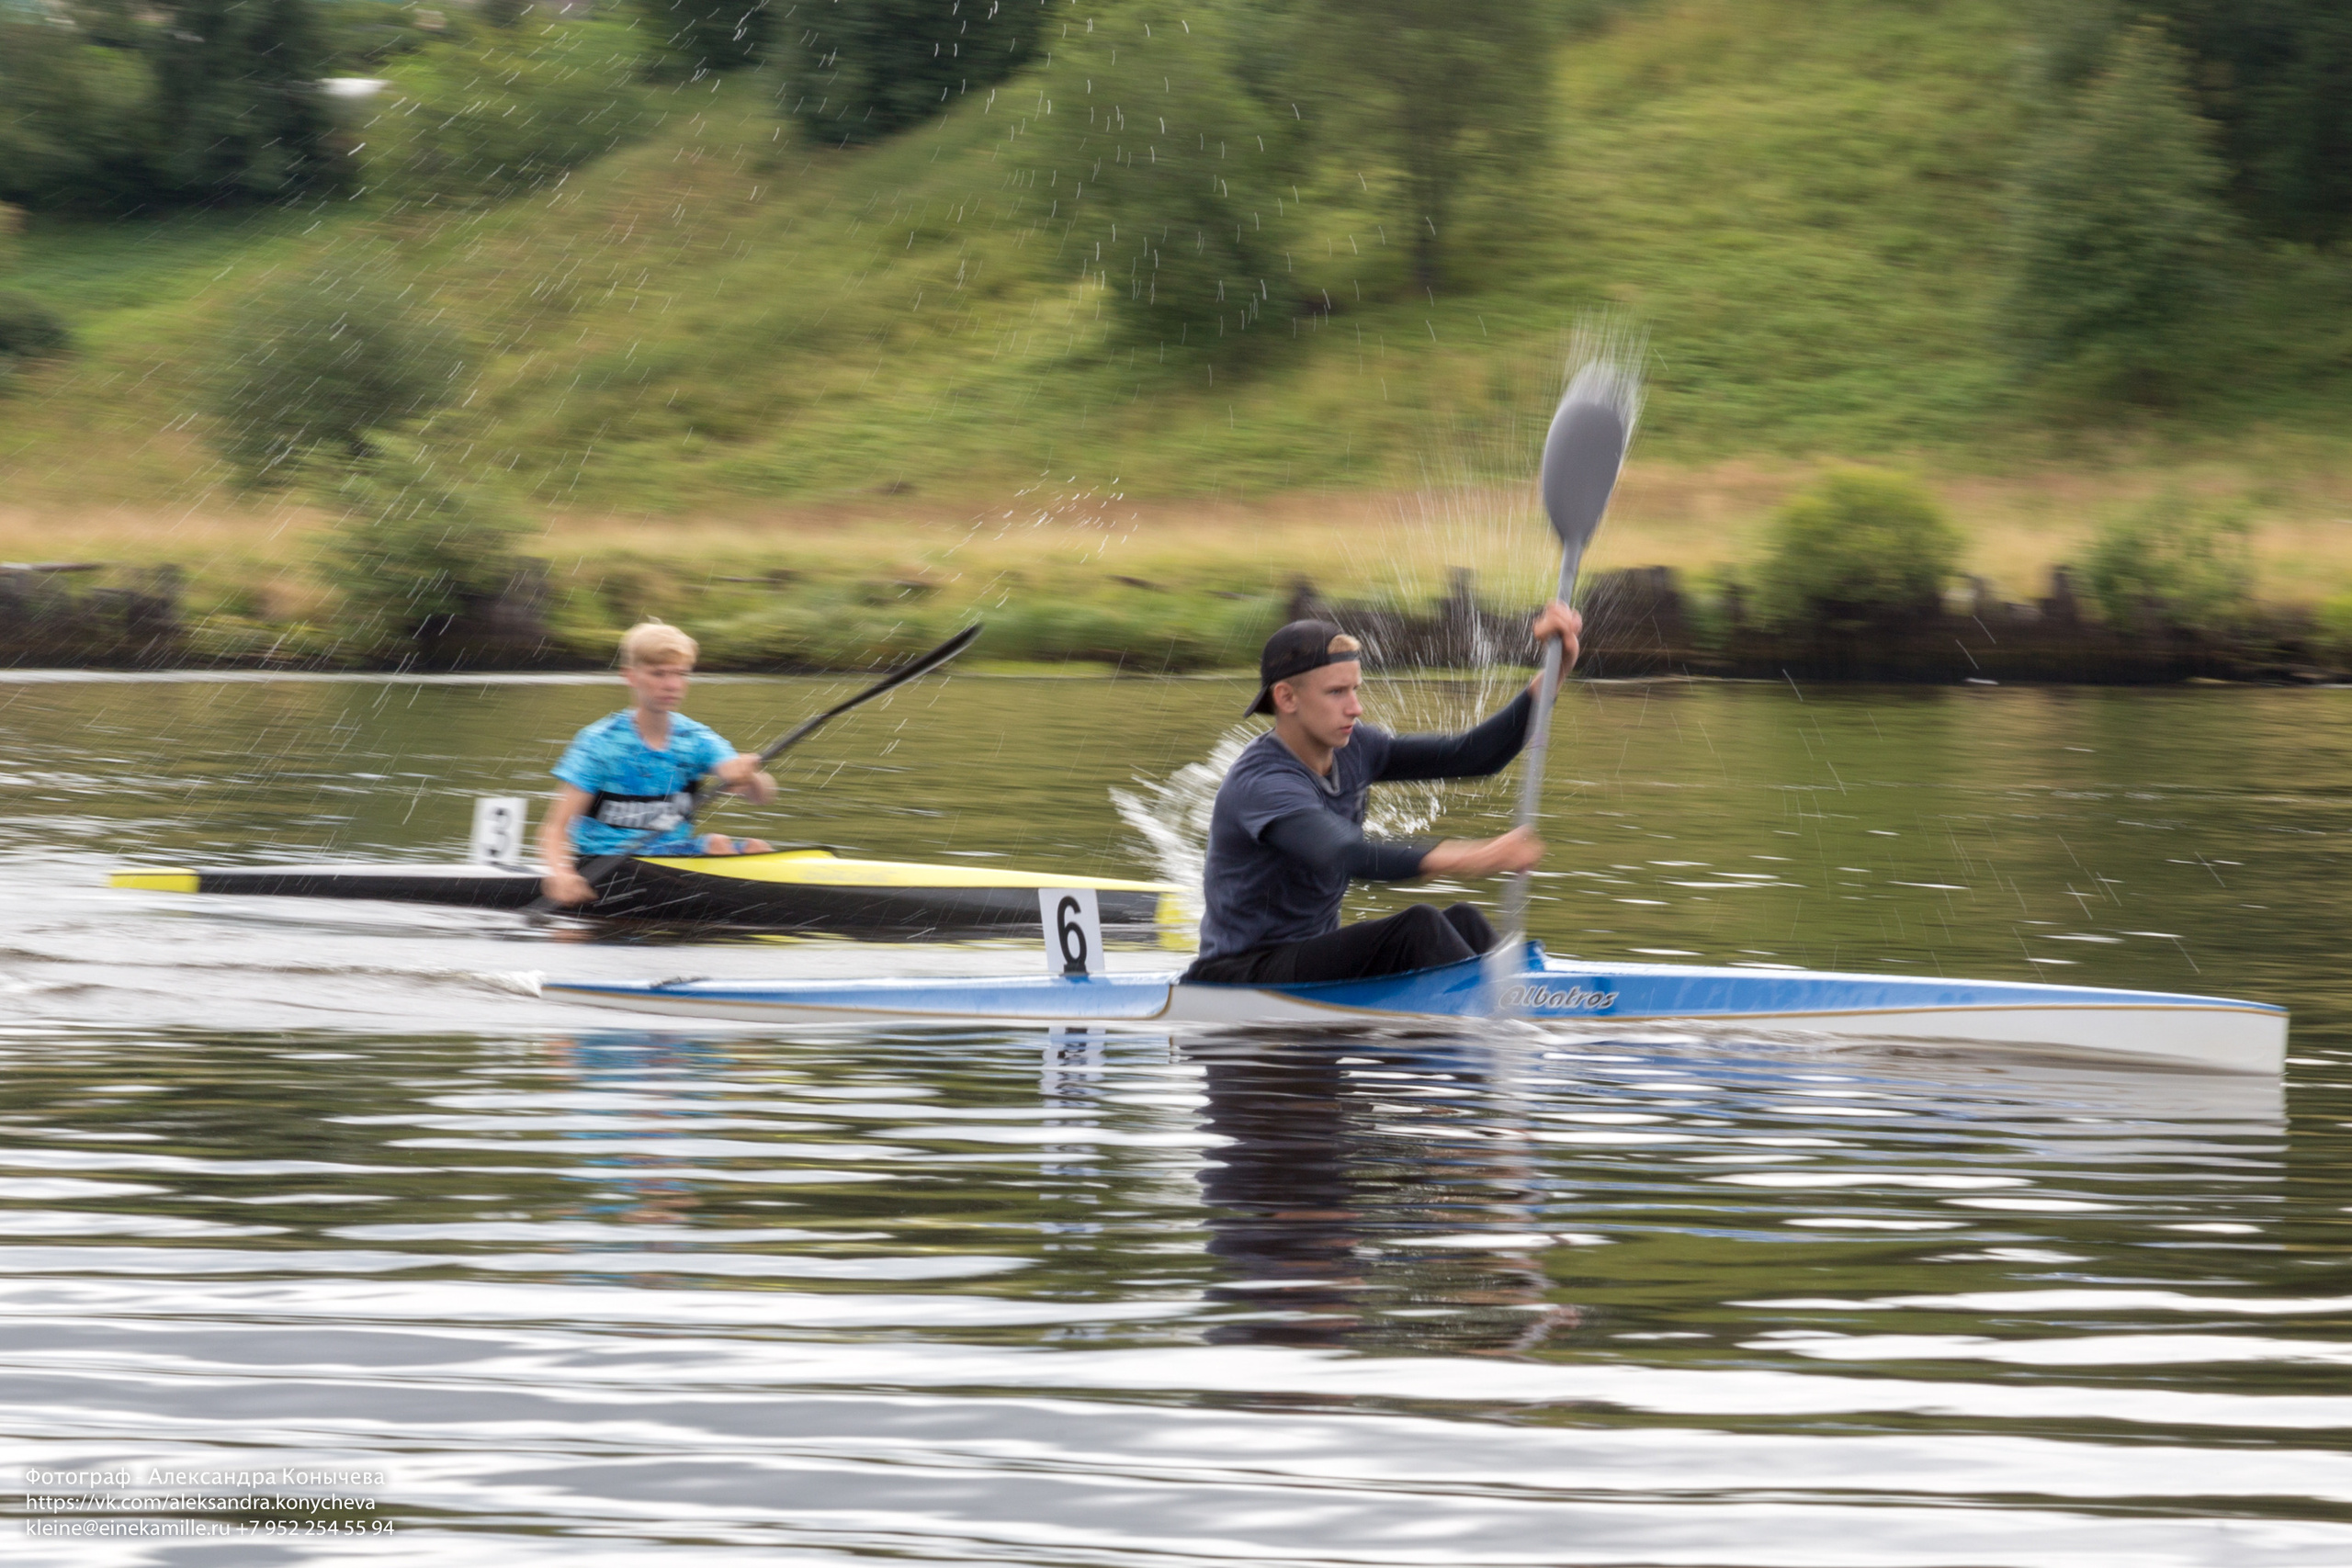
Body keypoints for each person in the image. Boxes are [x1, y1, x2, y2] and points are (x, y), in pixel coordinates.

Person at [1185, 603, 1580, 986]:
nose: (1356, 708)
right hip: (1240, 975)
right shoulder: (1263, 783)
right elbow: (1347, 854)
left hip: (1310, 959)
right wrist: (1477, 856)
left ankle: (1525, 1003)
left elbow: (1475, 755)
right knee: (1418, 927)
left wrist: (1553, 674)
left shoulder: (1358, 747)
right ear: (1287, 698)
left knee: (1463, 920)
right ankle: (1499, 1023)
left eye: (1356, 689)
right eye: (1337, 692)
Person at [537, 620, 779, 907]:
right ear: (630, 676)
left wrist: (749, 776)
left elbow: (763, 796)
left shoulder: (696, 739)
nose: (673, 685)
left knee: (757, 849)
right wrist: (561, 874)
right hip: (606, 865)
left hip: (673, 857)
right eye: (659, 674)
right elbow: (554, 828)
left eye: (680, 674)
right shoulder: (599, 744)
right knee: (717, 845)